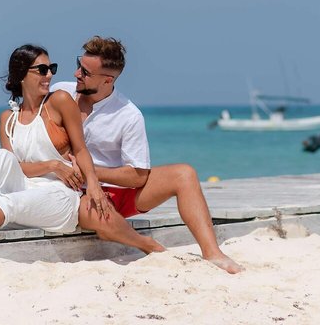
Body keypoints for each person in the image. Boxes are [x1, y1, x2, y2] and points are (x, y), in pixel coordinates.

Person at [0, 44, 164, 255]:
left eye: (51, 69)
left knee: (12, 203)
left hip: (58, 195)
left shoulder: (60, 101)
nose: (49, 75)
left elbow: (81, 150)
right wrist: (53, 165)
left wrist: (92, 184)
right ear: (21, 75)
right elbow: (14, 168)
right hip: (24, 185)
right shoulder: (7, 118)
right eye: (42, 70)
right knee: (2, 157)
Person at [52, 36, 243, 274]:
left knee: (184, 174)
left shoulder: (128, 115)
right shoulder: (59, 92)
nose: (76, 73)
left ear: (108, 80)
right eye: (79, 65)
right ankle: (143, 243)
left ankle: (213, 253)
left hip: (114, 193)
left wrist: (90, 172)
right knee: (97, 216)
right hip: (68, 188)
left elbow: (138, 176)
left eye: (85, 72)